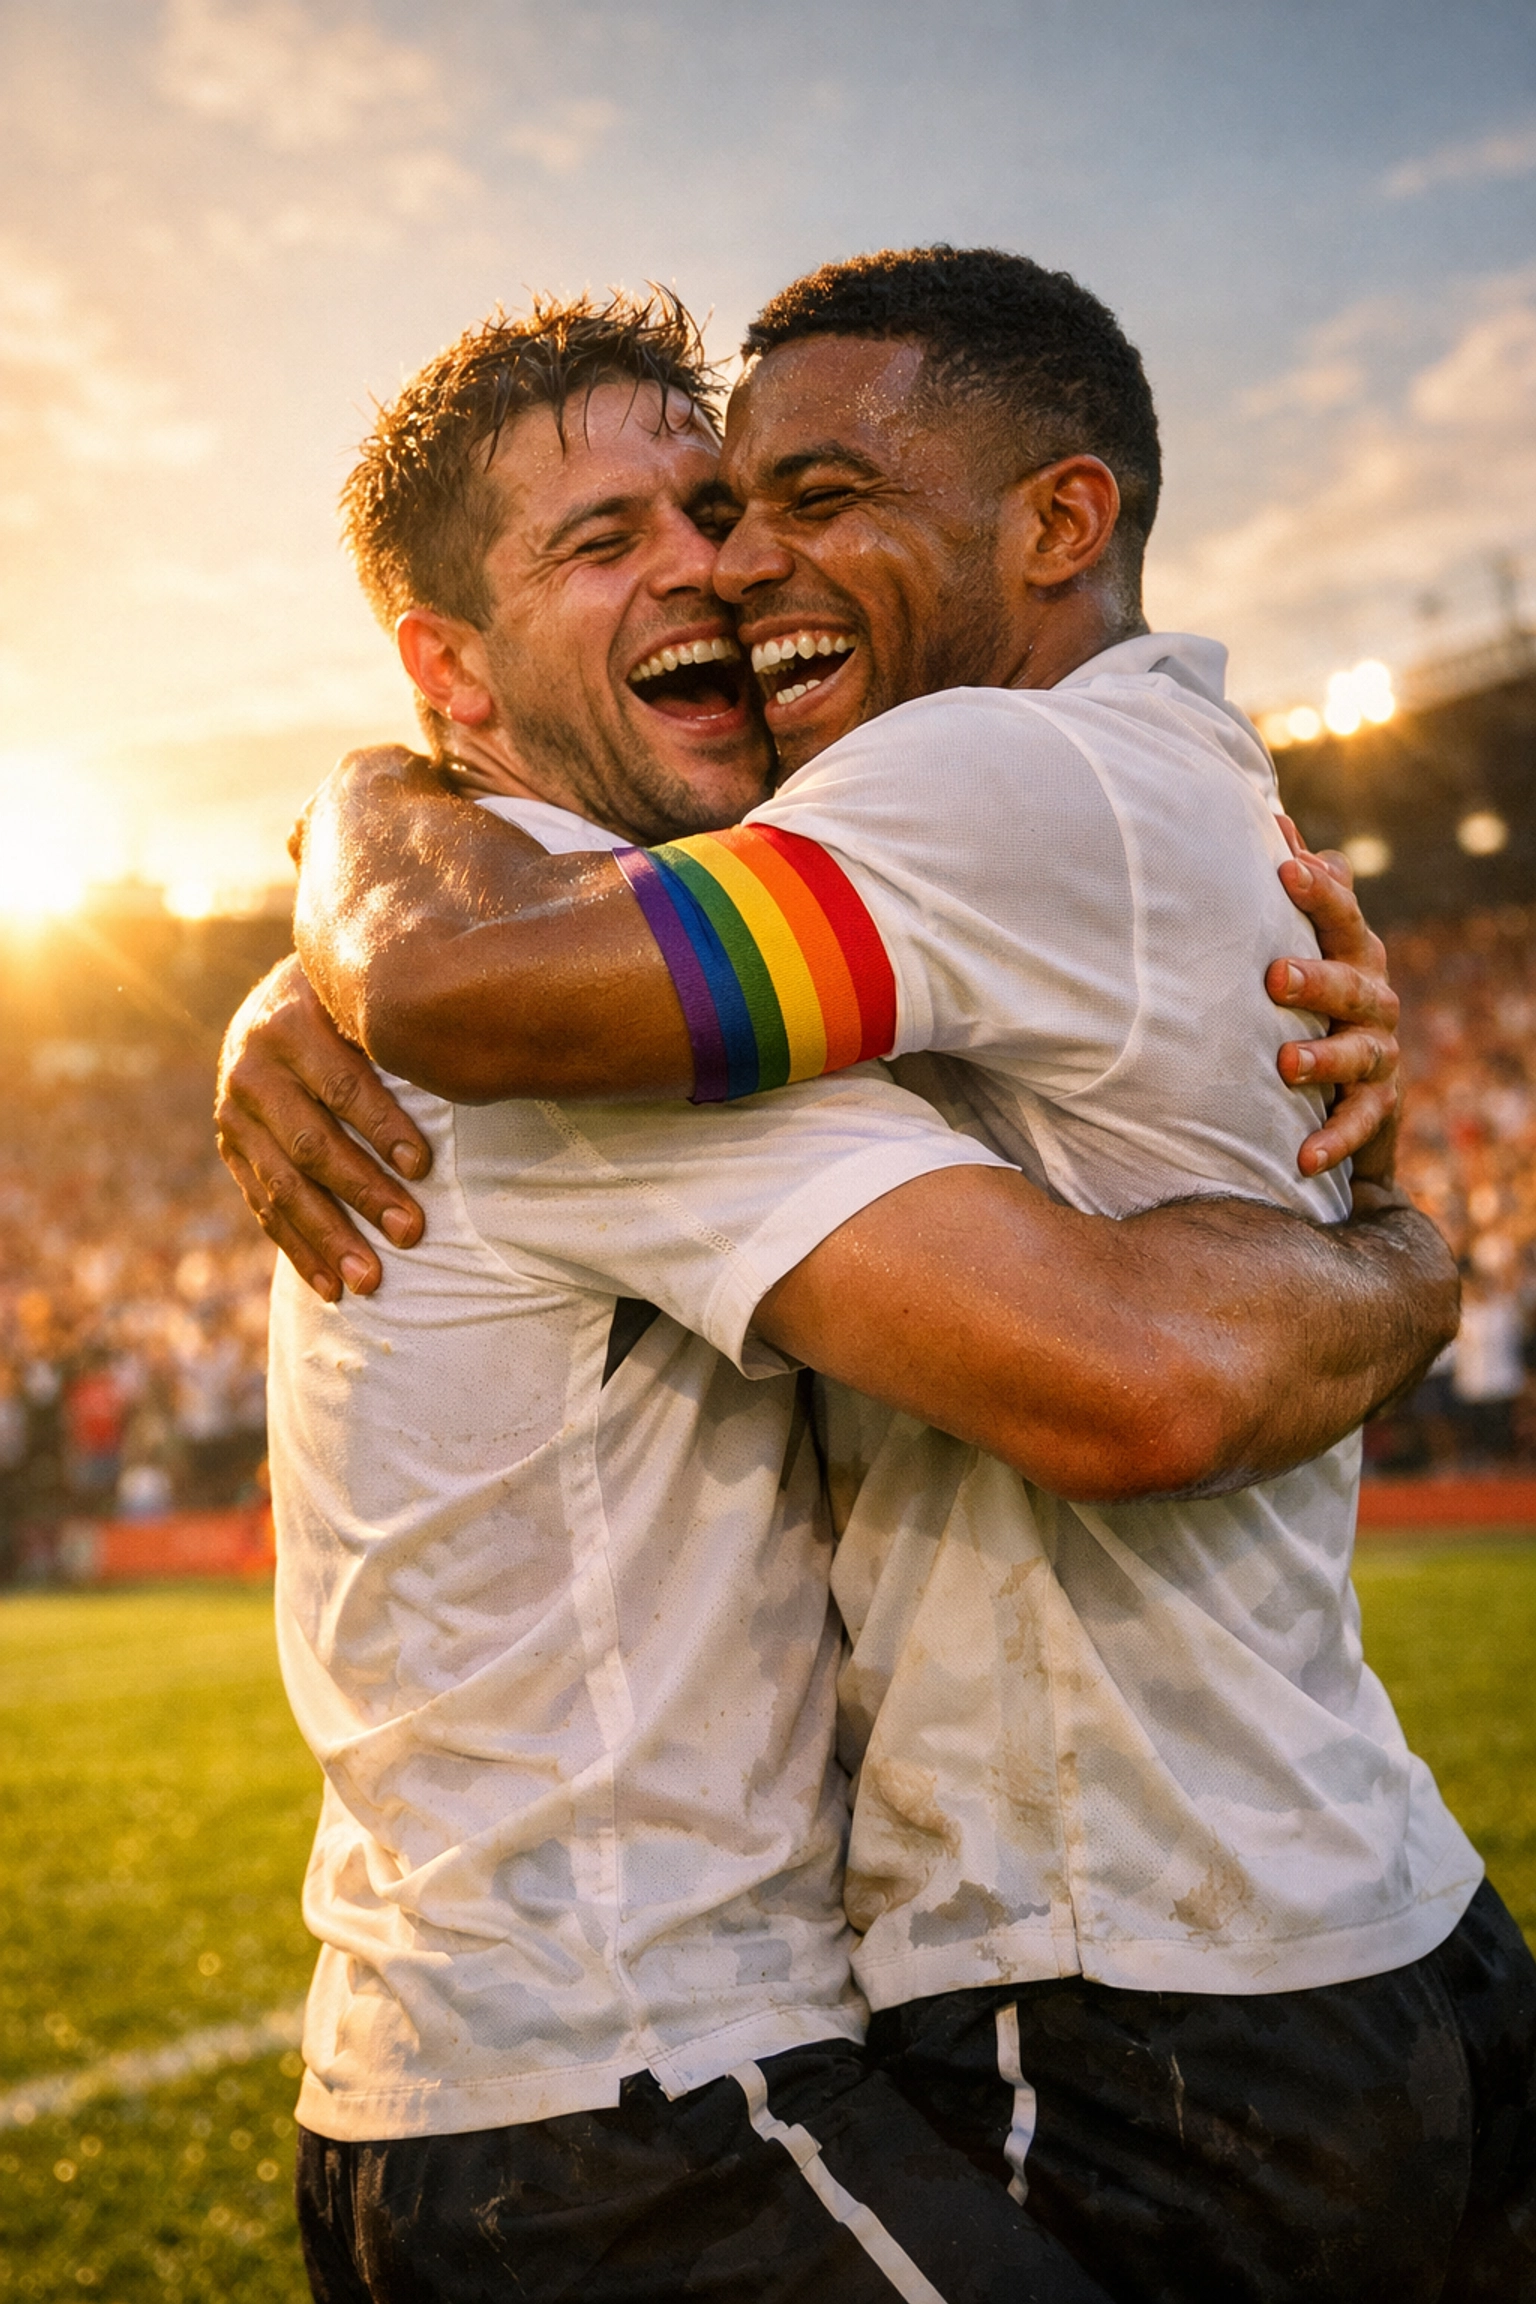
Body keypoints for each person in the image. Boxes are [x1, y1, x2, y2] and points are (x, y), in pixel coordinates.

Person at [217, 274, 1471, 2303]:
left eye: (715, 515)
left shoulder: (608, 958)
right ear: (448, 666)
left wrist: (347, 860)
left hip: (629, 2076)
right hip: (623, 2104)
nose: (717, 575)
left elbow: (450, 944)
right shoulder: (556, 1029)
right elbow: (1139, 1380)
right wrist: (1413, 1262)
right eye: (607, 541)